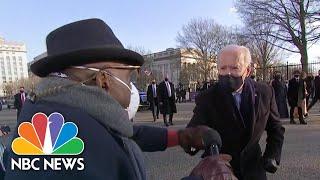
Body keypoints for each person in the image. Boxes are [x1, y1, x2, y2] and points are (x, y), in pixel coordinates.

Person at [3, 19, 235, 180]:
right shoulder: (55, 147)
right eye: (129, 73)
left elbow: (121, 134)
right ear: (104, 80)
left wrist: (180, 136)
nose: (132, 82)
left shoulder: (59, 112)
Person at [187, 45, 285, 180]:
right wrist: (195, 140)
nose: (228, 73)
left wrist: (272, 155)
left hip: (254, 168)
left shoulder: (265, 92)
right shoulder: (207, 97)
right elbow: (192, 132)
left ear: (248, 70)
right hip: (220, 171)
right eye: (223, 68)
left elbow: (276, 129)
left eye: (234, 68)